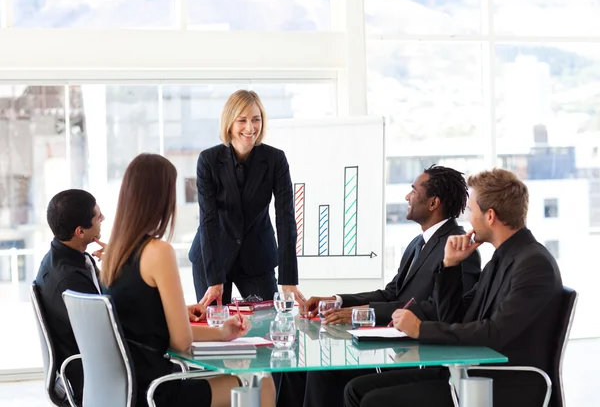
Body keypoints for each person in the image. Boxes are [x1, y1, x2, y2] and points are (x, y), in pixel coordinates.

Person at [344, 168, 563, 407]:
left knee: (375, 401)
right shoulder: (502, 259)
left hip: (500, 384)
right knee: (356, 390)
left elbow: (495, 333)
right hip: (469, 374)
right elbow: (456, 316)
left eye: (471, 210)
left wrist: (421, 330)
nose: (467, 218)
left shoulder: (533, 263)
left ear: (490, 216)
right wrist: (449, 266)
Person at [102, 153, 276, 407]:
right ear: (160, 199)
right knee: (260, 382)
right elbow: (180, 340)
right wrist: (217, 332)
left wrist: (221, 332)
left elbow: (152, 328)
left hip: (125, 389)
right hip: (158, 391)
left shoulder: (113, 255)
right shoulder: (158, 252)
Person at [300, 165, 481, 407]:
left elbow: (442, 310)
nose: (407, 197)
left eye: (414, 191)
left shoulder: (458, 249)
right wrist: (337, 300)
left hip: (421, 360)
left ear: (433, 203)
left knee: (325, 373)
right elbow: (391, 293)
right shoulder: (418, 243)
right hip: (397, 351)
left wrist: (362, 314)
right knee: (313, 371)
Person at [189, 90, 304, 307]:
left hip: (257, 257)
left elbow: (286, 218)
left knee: (269, 326)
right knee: (216, 327)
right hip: (213, 256)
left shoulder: (275, 160)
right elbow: (208, 220)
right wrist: (214, 278)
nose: (250, 127)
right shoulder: (208, 160)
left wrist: (288, 279)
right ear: (229, 123)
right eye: (242, 120)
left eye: (256, 119)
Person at [35, 189, 105, 404]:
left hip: (90, 368)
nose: (103, 218)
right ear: (80, 232)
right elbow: (107, 333)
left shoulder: (65, 260)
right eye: (97, 216)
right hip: (94, 379)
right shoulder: (69, 281)